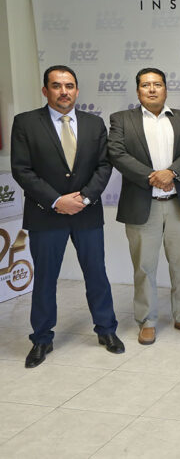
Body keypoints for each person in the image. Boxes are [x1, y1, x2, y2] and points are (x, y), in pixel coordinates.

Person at [11, 65, 123, 368]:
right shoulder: (25, 123)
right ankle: (42, 338)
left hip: (86, 212)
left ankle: (106, 329)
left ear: (77, 90)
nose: (64, 92)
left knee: (96, 274)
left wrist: (83, 198)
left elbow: (104, 166)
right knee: (45, 279)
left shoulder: (94, 123)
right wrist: (56, 201)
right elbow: (21, 169)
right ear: (45, 90)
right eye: (57, 86)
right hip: (45, 214)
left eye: (69, 86)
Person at [108, 67, 180, 345]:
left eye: (157, 84)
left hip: (178, 204)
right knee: (144, 267)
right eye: (146, 85)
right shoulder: (122, 119)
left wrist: (171, 172)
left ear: (165, 89)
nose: (152, 89)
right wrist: (152, 176)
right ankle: (147, 320)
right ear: (138, 90)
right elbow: (116, 153)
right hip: (142, 205)